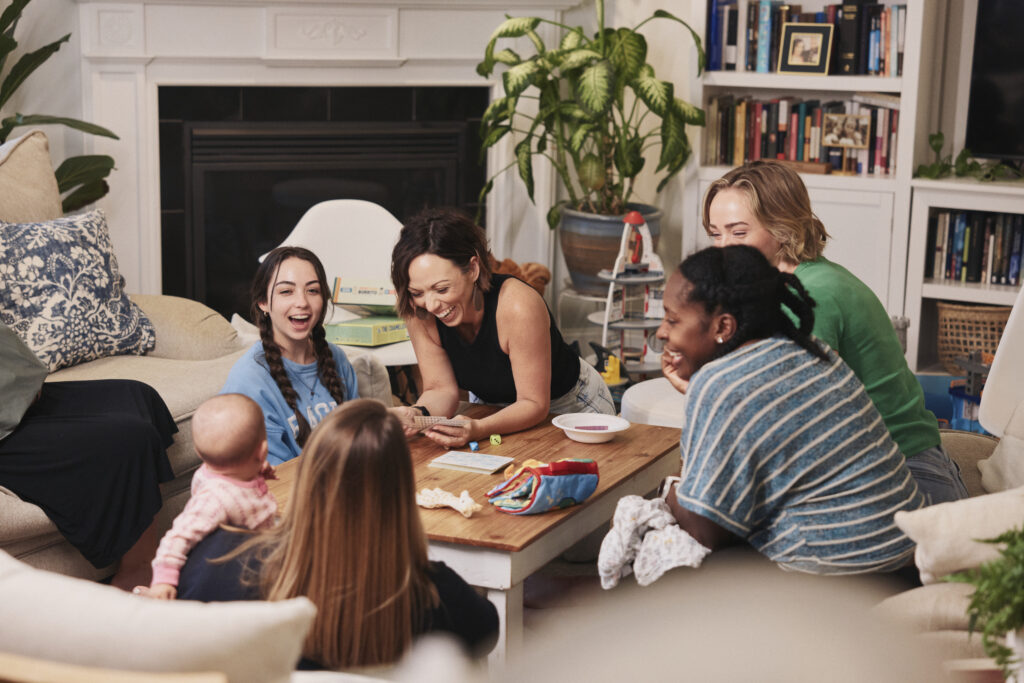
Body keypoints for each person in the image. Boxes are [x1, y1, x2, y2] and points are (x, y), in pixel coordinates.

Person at [703, 160, 968, 505]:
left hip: (903, 476)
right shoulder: (800, 278)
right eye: (715, 233)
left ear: (783, 229)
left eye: (739, 233)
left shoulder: (809, 296)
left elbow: (793, 417)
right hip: (904, 464)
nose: (723, 248)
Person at [170, 399, 499, 669]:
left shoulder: (215, 560)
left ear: (309, 473)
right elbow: (486, 632)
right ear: (399, 493)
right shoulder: (431, 592)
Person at [659, 245, 925, 573]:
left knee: (663, 541)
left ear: (722, 327)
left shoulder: (720, 383)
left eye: (672, 320)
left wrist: (670, 491)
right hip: (910, 559)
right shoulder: (814, 351)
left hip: (839, 579)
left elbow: (707, 532)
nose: (662, 332)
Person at [389, 207, 614, 448]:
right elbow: (440, 388)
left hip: (569, 406)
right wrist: (418, 413)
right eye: (417, 292)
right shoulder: (419, 311)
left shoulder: (518, 306)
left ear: (473, 268)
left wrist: (479, 428)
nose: (431, 304)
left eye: (442, 289)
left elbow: (534, 403)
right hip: (491, 409)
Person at [0, 328, 176, 590]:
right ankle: (136, 573)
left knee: (138, 395)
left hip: (13, 395)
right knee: (131, 438)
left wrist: (21, 383)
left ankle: (143, 560)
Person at [221, 246, 359, 465]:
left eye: (312, 290)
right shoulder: (249, 381)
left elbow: (357, 443)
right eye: (286, 291)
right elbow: (275, 480)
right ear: (263, 302)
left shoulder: (336, 358)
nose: (302, 302)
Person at [149, 394, 277, 600]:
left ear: (198, 453)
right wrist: (163, 580)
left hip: (262, 543)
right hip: (243, 566)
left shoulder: (228, 470)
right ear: (262, 451)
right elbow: (178, 535)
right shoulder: (214, 500)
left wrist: (261, 472)